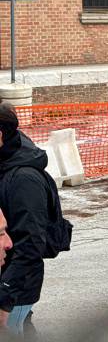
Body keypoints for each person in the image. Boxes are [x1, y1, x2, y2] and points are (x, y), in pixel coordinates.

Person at [0, 103, 53, 336]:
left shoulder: (24, 180)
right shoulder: (6, 160)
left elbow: (30, 246)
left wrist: (4, 301)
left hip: (14, 289)